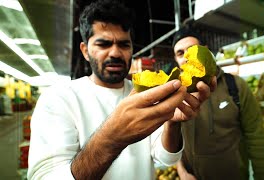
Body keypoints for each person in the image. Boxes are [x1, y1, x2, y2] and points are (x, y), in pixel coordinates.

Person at [27, 1, 216, 180]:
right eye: (104, 44)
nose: (116, 53)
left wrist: (173, 123)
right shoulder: (59, 98)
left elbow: (166, 159)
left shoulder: (147, 93)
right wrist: (112, 137)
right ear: (85, 51)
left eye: (124, 44)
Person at [172, 27, 264, 180]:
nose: (186, 57)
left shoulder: (236, 86)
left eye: (192, 50)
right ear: (176, 59)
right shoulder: (175, 95)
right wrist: (181, 171)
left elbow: (256, 139)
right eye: (180, 53)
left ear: (205, 51)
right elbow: (172, 141)